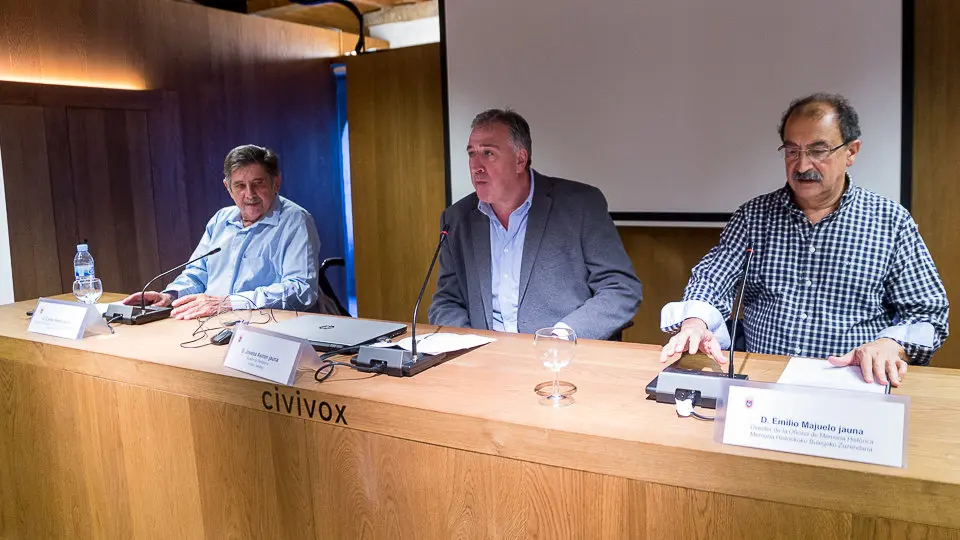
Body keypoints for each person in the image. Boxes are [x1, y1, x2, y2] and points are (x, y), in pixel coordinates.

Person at [659, 93, 949, 387]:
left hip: (853, 384)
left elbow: (929, 315)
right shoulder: (753, 217)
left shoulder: (890, 222)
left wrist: (890, 344)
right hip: (763, 384)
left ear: (851, 152)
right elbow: (711, 280)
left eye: (818, 150)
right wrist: (695, 323)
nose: (801, 166)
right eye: (791, 151)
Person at [428, 109, 642, 340]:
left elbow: (620, 288)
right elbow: (447, 301)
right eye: (472, 154)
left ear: (520, 159)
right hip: (484, 355)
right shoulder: (456, 219)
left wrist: (561, 337)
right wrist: (468, 343)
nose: (476, 166)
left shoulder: (580, 205)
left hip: (559, 353)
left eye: (488, 153)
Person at [123, 144, 324, 319]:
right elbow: (197, 274)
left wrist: (230, 302)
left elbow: (301, 290)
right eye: (240, 186)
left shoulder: (296, 221)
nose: (249, 194)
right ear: (228, 188)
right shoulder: (220, 220)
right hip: (212, 322)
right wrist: (170, 296)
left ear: (276, 183)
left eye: (258, 183)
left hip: (269, 328)